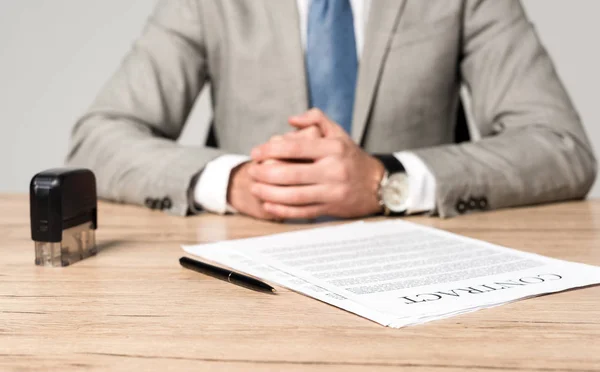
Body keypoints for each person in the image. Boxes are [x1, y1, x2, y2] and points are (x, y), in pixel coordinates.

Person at [67, 0, 597, 220]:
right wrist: (231, 182)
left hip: (419, 282)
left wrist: (389, 180)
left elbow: (561, 145)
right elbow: (98, 137)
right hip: (246, 288)